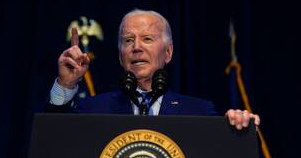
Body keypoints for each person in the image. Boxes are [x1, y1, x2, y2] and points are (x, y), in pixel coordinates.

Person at [45, 9, 260, 130]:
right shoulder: (92, 109)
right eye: (128, 40)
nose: (136, 47)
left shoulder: (199, 112)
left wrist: (240, 125)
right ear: (121, 56)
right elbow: (52, 136)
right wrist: (66, 84)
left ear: (168, 53)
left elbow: (229, 157)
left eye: (147, 39)